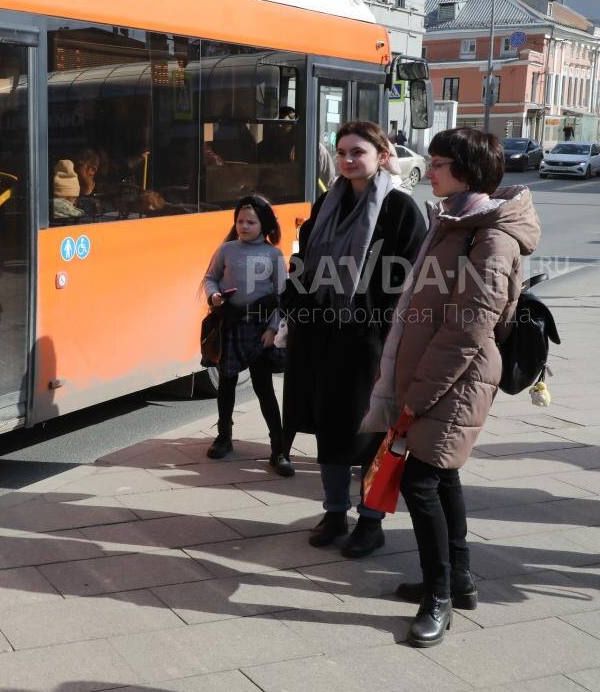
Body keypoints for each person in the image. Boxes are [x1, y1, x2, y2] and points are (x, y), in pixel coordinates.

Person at [360, 127, 539, 647]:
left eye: (438, 163)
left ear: (466, 170)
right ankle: (457, 582)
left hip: (452, 380)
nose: (429, 170)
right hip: (432, 375)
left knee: (420, 484)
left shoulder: (490, 235)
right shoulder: (456, 221)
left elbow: (468, 327)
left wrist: (416, 396)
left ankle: (437, 597)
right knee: (442, 477)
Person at [282, 120, 426, 558]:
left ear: (382, 156)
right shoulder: (327, 202)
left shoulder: (400, 209)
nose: (347, 159)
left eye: (357, 152)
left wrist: (379, 329)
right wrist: (291, 307)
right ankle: (333, 511)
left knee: (369, 433)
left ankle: (370, 520)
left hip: (370, 342)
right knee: (330, 428)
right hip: (321, 336)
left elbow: (409, 282)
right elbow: (305, 261)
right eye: (342, 152)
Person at [203, 195, 293, 475]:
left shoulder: (274, 255)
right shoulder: (226, 250)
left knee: (263, 387)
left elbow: (281, 297)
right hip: (231, 324)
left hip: (260, 328)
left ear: (264, 224)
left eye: (251, 222)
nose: (244, 225)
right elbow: (210, 278)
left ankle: (278, 449)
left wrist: (272, 329)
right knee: (226, 384)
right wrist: (214, 295)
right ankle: (224, 437)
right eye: (240, 221)